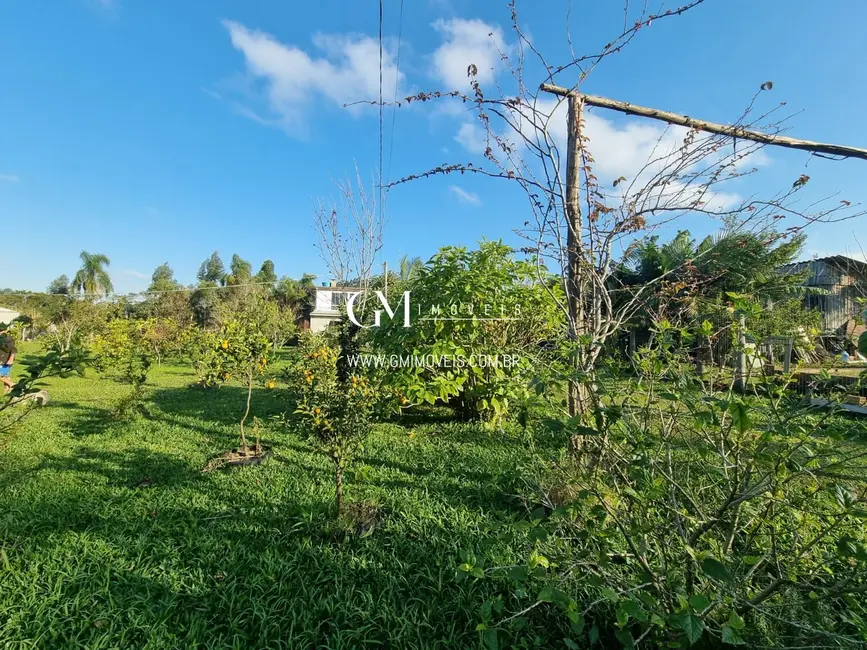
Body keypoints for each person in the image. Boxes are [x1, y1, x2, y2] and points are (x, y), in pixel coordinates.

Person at [0, 323, 16, 393]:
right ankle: (6, 391)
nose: (0, 332)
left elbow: (13, 350)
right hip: (2, 359)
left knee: (1, 375)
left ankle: (13, 385)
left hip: (6, 360)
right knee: (6, 376)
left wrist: (11, 359)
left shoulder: (8, 339)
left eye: (2, 330)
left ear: (6, 331)